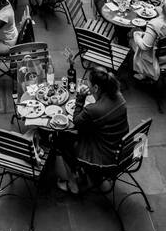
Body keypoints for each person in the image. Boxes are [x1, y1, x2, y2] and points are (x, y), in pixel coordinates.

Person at [55, 65, 129, 195]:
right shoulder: (119, 96)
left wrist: (80, 98)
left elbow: (77, 121)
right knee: (83, 131)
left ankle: (73, 183)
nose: (86, 84)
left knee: (62, 138)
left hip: (105, 156)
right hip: (120, 147)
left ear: (95, 88)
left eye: (88, 82)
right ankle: (90, 175)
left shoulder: (94, 109)